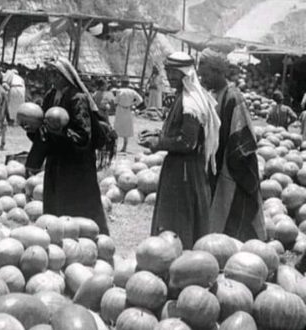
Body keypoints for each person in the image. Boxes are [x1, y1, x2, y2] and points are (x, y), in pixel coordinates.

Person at [142, 52, 220, 249]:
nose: (169, 77)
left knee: (179, 219)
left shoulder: (190, 101)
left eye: (173, 73)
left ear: (185, 73)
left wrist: (160, 143)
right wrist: (158, 135)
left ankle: (179, 257)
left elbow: (188, 143)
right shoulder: (182, 96)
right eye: (168, 72)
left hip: (185, 170)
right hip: (180, 167)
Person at [25, 57, 108, 234]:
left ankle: (84, 237)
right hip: (57, 160)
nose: (52, 77)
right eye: (50, 73)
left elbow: (83, 136)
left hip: (76, 163)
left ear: (65, 75)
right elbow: (43, 129)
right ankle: (56, 235)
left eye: (55, 73)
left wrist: (61, 132)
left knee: (77, 205)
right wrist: (32, 129)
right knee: (55, 200)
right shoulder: (50, 96)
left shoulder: (77, 98)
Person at [198, 49, 265, 241]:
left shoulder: (233, 97)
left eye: (206, 75)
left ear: (219, 71)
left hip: (232, 166)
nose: (203, 79)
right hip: (215, 165)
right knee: (219, 212)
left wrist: (233, 163)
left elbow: (242, 135)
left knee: (236, 212)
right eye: (201, 75)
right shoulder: (213, 95)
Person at [113, 77, 143, 152]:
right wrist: (134, 104)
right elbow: (140, 100)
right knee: (126, 129)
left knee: (117, 127)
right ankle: (124, 146)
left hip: (120, 109)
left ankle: (115, 146)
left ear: (122, 83)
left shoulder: (119, 91)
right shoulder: (132, 91)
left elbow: (116, 101)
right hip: (128, 110)